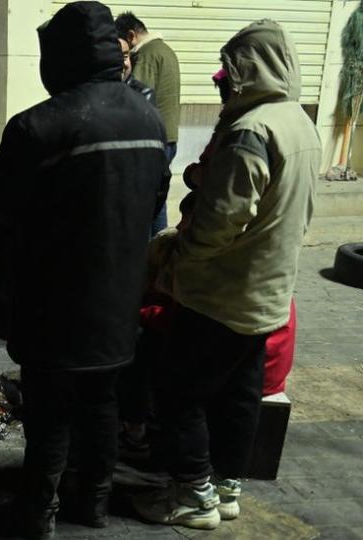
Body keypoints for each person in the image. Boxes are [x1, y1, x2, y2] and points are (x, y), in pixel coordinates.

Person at [0, 2, 170, 537]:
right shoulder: (148, 119)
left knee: (49, 412)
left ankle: (38, 513)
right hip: (118, 303)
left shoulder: (38, 126)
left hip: (53, 304)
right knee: (101, 403)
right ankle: (92, 504)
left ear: (60, 56)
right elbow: (156, 198)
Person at [133, 20, 318, 529]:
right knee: (239, 395)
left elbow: (218, 222)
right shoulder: (297, 123)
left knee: (181, 394)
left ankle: (192, 495)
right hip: (267, 293)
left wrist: (176, 256)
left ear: (248, 71)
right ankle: (224, 487)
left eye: (227, 76)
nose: (222, 86)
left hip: (219, 293)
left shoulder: (251, 131)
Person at [116, 11, 180, 233]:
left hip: (154, 138)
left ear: (131, 35)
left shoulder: (147, 54)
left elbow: (136, 96)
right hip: (168, 135)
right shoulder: (165, 49)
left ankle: (153, 247)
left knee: (149, 200)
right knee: (156, 197)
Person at [120, 38, 155, 105]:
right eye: (115, 57)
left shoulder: (143, 94)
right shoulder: (96, 90)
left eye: (125, 56)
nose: (122, 63)